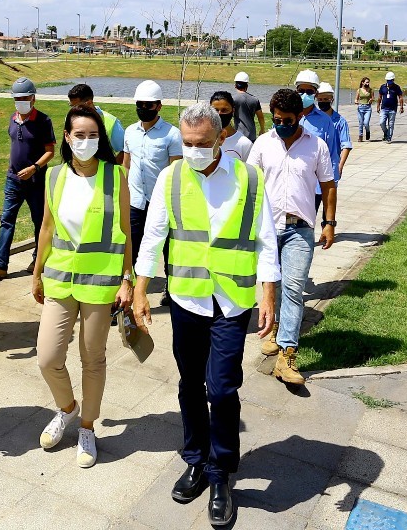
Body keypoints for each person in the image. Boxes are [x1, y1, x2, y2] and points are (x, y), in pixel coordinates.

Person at [130, 103, 279, 527]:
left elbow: (266, 239)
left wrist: (268, 295)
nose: (194, 151)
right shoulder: (171, 177)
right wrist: (141, 290)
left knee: (224, 388)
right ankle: (195, 460)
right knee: (190, 384)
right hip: (188, 300)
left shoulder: (249, 178)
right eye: (188, 143)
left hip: (232, 303)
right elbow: (154, 234)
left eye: (202, 144)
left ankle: (220, 474)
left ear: (221, 138)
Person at [31, 107, 132, 468]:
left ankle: (87, 426)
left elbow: (125, 230)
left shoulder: (115, 175)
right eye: (80, 135)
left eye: (93, 136)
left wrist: (128, 278)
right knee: (48, 357)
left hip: (100, 283)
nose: (86, 142)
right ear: (67, 137)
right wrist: (37, 270)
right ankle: (68, 408)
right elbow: (46, 226)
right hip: (60, 278)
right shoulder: (54, 175)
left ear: (100, 140)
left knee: (93, 359)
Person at [247, 89, 336, 387]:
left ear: (300, 116)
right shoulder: (262, 144)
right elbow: (250, 186)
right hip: (267, 229)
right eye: (276, 119)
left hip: (300, 229)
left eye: (287, 120)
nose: (281, 124)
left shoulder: (317, 146)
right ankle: (273, 329)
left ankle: (287, 355)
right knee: (274, 286)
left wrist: (329, 223)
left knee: (295, 288)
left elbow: (328, 185)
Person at [0, 78, 55, 279]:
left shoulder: (43, 121)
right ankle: (0, 264)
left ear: (33, 98)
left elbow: (50, 151)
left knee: (39, 221)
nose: (20, 101)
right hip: (13, 180)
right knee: (7, 220)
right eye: (17, 98)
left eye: (24, 97)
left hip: (35, 181)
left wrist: (34, 167)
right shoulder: (13, 119)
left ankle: (38, 259)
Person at [124, 80, 183, 267]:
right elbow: (126, 165)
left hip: (160, 202)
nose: (143, 108)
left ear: (159, 106)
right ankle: (129, 283)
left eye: (148, 105)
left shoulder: (172, 134)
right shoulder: (130, 132)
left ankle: (170, 287)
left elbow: (176, 172)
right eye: (139, 104)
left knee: (167, 246)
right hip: (135, 201)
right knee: (131, 246)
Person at [67, 83, 126, 166]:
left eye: (77, 106)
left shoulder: (111, 121)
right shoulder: (70, 119)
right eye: (71, 106)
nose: (73, 110)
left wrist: (111, 169)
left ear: (89, 103)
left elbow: (124, 151)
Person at [314, 82, 352, 187]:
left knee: (329, 201)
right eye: (320, 100)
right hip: (313, 167)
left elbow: (346, 145)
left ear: (332, 100)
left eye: (326, 99)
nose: (323, 102)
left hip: (331, 167)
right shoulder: (312, 119)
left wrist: (340, 166)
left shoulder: (340, 121)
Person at [210, 91, 252, 161]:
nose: (219, 114)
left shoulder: (244, 144)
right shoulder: (202, 139)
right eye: (215, 110)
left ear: (233, 111)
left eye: (224, 110)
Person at [231, 72, 266, 140]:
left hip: (238, 135)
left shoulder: (232, 99)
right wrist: (262, 129)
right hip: (251, 135)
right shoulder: (255, 100)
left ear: (235, 85)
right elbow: (260, 117)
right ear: (247, 86)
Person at [377, 71, 404, 143]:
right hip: (384, 108)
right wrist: (378, 106)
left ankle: (389, 137)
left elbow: (400, 97)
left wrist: (401, 107)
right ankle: (386, 132)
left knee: (391, 124)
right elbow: (379, 97)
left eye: (391, 81)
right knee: (382, 122)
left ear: (393, 80)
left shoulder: (396, 87)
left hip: (392, 109)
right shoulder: (383, 87)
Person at [354, 77, 373, 141]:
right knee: (361, 122)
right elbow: (356, 98)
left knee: (366, 122)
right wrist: (356, 101)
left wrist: (371, 100)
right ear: (363, 82)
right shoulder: (359, 90)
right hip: (360, 107)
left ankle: (367, 131)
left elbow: (372, 97)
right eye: (366, 82)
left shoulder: (370, 90)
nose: (367, 83)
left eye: (368, 82)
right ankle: (360, 136)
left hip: (368, 108)